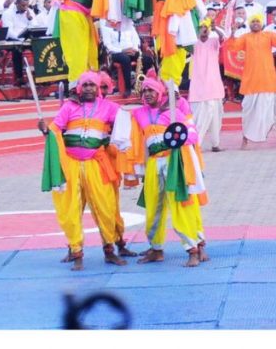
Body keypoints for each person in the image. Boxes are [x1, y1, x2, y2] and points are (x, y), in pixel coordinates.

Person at [40, 71, 131, 269]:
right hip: (71, 164)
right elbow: (55, 129)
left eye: (92, 85)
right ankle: (76, 251)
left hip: (96, 165)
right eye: (85, 84)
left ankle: (110, 250)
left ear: (98, 88)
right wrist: (46, 129)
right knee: (70, 208)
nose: (88, 88)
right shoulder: (68, 107)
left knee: (106, 207)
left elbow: (127, 121)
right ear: (79, 87)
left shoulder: (109, 107)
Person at [129, 75, 209, 267]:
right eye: (145, 91)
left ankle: (193, 249)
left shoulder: (174, 113)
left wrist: (179, 138)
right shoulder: (138, 114)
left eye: (152, 90)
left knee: (181, 206)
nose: (147, 94)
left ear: (160, 93)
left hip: (173, 163)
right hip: (153, 165)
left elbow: (192, 134)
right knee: (153, 208)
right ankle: (156, 249)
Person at [230, 13, 276, 148]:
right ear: (249, 24)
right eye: (253, 21)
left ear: (261, 24)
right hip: (251, 81)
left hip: (268, 80)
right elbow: (233, 47)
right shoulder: (245, 37)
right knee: (248, 111)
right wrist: (233, 33)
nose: (255, 23)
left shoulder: (268, 35)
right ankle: (245, 139)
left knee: (275, 111)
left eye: (258, 21)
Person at [190, 19, 225, 152]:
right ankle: (195, 143)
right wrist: (199, 34)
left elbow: (223, 37)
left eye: (206, 28)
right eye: (201, 27)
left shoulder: (213, 42)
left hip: (214, 86)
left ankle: (215, 144)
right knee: (199, 117)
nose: (204, 30)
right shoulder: (193, 43)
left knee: (216, 117)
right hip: (199, 87)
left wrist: (214, 28)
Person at [100, 18, 145, 93]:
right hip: (115, 53)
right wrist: (122, 51)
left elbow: (136, 39)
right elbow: (107, 45)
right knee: (125, 59)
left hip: (131, 51)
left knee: (147, 59)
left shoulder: (127, 19)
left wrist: (134, 49)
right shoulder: (105, 21)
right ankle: (128, 88)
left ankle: (143, 86)